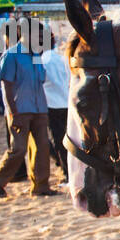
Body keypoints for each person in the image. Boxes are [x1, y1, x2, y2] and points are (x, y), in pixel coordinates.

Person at [0, 18, 55, 198]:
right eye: (37, 35)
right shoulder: (11, 55)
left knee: (42, 149)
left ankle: (40, 186)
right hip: (20, 109)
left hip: (39, 108)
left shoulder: (37, 56)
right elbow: (6, 85)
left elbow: (42, 80)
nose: (40, 39)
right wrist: (13, 111)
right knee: (18, 149)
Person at [40, 42, 71, 183]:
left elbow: (40, 80)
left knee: (58, 141)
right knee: (68, 139)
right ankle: (66, 168)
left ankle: (67, 173)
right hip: (66, 102)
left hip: (52, 104)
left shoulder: (41, 60)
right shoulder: (61, 58)